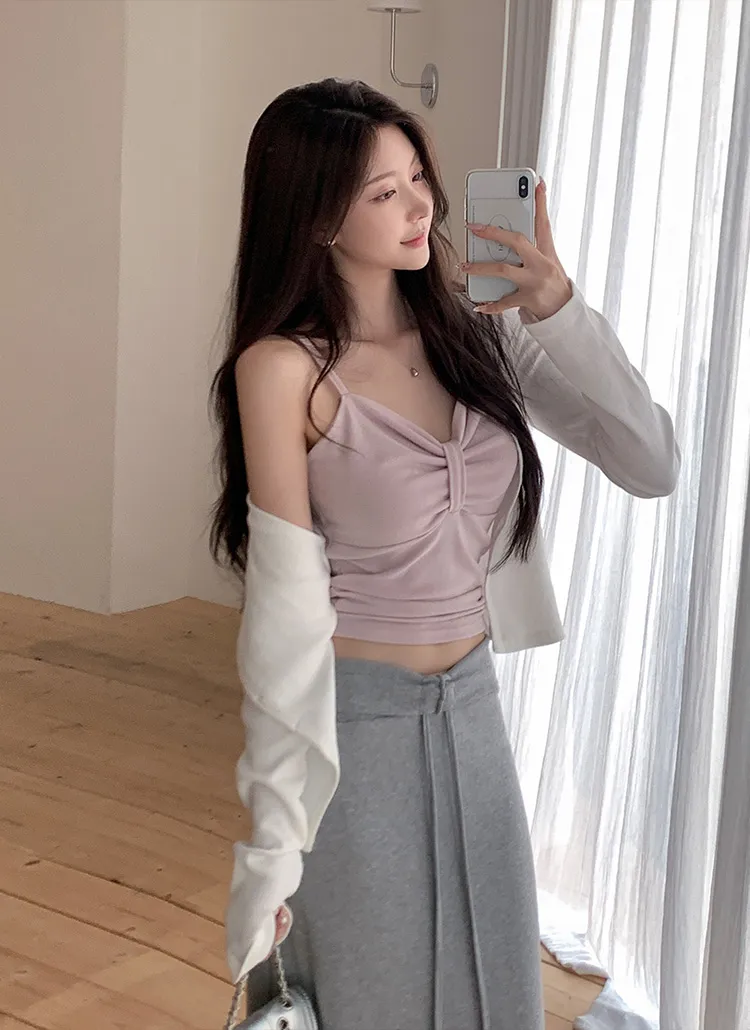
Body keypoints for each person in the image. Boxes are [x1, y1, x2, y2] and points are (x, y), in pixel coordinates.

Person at [208, 77, 680, 1030]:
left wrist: (557, 308)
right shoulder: (283, 369)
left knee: (497, 991)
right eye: (384, 192)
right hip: (352, 728)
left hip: (473, 707)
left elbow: (652, 462)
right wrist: (273, 845)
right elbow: (285, 615)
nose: (420, 206)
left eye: (419, 177)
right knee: (370, 997)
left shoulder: (478, 336)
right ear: (316, 217)